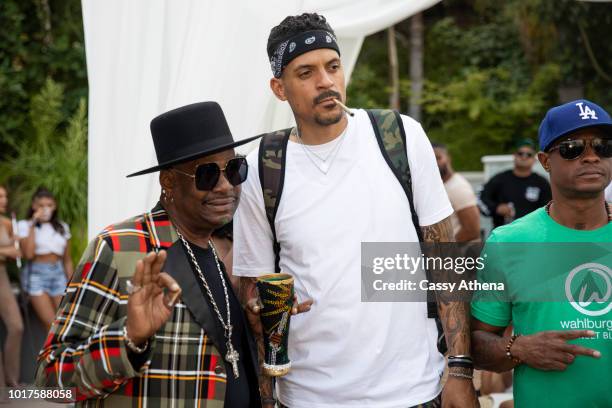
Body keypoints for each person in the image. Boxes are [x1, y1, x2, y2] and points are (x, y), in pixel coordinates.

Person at [233, 13, 478, 408]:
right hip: (309, 397)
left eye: (333, 66)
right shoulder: (263, 165)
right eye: (306, 72)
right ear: (279, 88)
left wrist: (462, 371)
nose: (326, 81)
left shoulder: (399, 137)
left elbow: (443, 259)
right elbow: (252, 288)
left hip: (413, 390)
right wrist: (266, 389)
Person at [35, 102, 262, 407]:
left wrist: (256, 329)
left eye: (234, 170)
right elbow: (50, 378)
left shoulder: (220, 252)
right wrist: (128, 338)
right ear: (168, 181)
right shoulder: (119, 248)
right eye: (207, 175)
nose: (225, 186)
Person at [471, 99, 612, 407]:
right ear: (545, 160)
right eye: (573, 148)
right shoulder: (508, 243)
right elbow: (477, 343)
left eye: (603, 147)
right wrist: (518, 348)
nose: (591, 157)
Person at [17, 187, 73, 331]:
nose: (45, 209)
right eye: (41, 206)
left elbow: (67, 259)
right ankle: (49, 353)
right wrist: (33, 223)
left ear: (55, 206)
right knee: (50, 325)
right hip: (36, 275)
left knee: (64, 323)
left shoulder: (62, 227)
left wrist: (72, 283)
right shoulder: (24, 225)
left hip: (58, 273)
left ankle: (59, 353)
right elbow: (28, 254)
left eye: (49, 205)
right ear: (34, 206)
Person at [479, 139, 551, 228]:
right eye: (520, 153)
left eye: (529, 155)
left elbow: (549, 209)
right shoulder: (500, 179)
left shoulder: (541, 183)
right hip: (503, 234)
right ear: (514, 155)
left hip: (532, 234)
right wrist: (496, 208)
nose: (524, 157)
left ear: (534, 159)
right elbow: (481, 197)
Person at [0, 185, 24, 389]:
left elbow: (16, 253)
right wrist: (7, 250)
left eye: (5, 195)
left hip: (2, 276)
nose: (4, 199)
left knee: (16, 326)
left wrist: (13, 247)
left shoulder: (7, 223)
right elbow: (9, 252)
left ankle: (11, 378)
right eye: (0, 196)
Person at [433, 143, 481, 242]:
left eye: (438, 158)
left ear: (448, 158)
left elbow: (472, 231)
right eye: (431, 159)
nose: (434, 162)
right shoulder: (440, 186)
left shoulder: (458, 187)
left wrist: (446, 251)